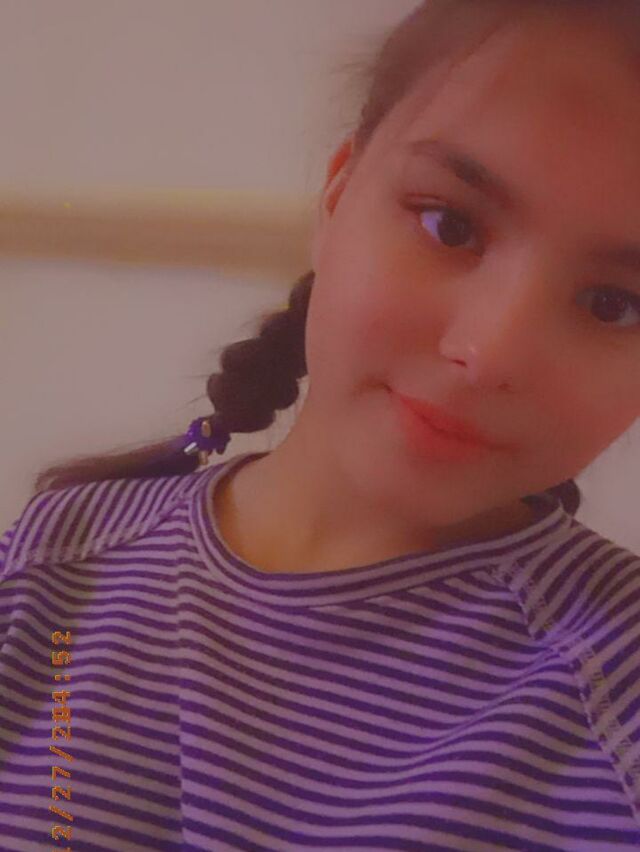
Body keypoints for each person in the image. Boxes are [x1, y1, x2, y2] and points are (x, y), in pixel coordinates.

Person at [2, 1, 640, 848]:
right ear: (337, 194)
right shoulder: (49, 572)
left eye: (613, 304)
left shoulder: (616, 695)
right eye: (449, 225)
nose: (486, 353)